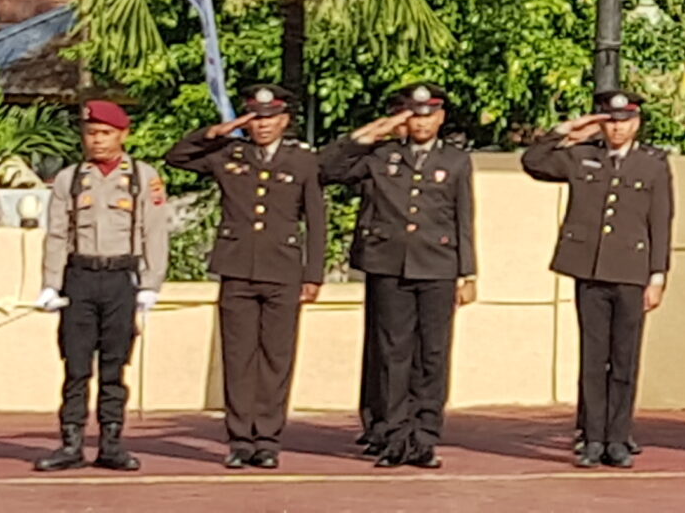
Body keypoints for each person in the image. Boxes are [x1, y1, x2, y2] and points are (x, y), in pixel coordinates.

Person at [164, 84, 327, 469]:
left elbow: (316, 219)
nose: (263, 125)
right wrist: (213, 133)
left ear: (285, 121)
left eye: (271, 118)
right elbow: (176, 157)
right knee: (237, 357)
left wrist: (313, 273)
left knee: (276, 357)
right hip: (237, 267)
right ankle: (240, 440)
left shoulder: (302, 160)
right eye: (256, 118)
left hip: (283, 270)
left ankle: (267, 439)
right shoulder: (228, 154)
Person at [321, 83, 478, 469]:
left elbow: (463, 218)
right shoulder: (382, 156)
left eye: (427, 114)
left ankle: (424, 437)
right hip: (388, 264)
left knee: (432, 355)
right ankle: (393, 436)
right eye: (412, 115)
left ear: (440, 117)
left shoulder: (456, 160)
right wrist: (367, 135)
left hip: (438, 265)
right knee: (392, 353)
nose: (421, 122)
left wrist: (468, 272)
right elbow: (327, 169)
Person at [521, 90, 674, 469]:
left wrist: (657, 276)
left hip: (631, 272)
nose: (618, 128)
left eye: (624, 121)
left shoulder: (652, 164)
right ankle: (591, 438)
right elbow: (533, 161)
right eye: (610, 120)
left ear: (636, 123)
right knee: (593, 358)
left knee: (624, 359)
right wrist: (569, 129)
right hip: (589, 268)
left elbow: (661, 221)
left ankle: (618, 439)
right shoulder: (582, 155)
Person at [32, 100, 169, 474]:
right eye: (91, 133)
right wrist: (50, 284)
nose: (97, 140)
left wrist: (151, 283)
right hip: (80, 277)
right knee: (75, 365)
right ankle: (71, 442)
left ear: (123, 135)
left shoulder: (143, 176)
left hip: (121, 278)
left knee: (114, 366)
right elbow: (58, 235)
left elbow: (154, 232)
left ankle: (111, 443)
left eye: (106, 133)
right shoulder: (70, 178)